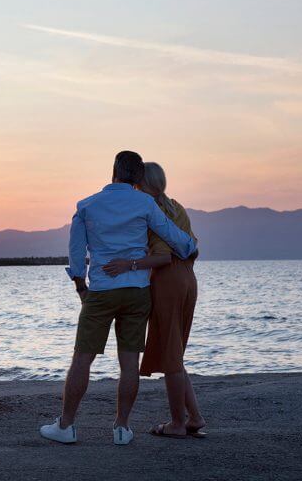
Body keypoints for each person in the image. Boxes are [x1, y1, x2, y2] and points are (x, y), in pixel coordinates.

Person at [39, 151, 197, 445]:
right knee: (128, 363)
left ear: (113, 171)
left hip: (101, 291)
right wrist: (189, 246)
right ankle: (122, 428)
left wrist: (80, 287)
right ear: (137, 178)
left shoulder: (87, 205)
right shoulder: (145, 203)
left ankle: (66, 426)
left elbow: (76, 253)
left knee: (82, 359)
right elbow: (174, 237)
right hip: (137, 293)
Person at [102, 161, 205, 439]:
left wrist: (128, 264)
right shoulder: (176, 207)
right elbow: (192, 248)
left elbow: (161, 257)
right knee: (175, 351)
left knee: (171, 354)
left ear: (140, 184)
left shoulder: (149, 210)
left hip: (167, 281)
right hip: (187, 279)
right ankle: (194, 417)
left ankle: (177, 424)